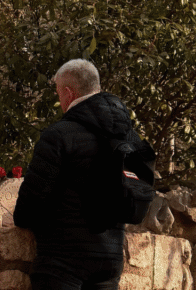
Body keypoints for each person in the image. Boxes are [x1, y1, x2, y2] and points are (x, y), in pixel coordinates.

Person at [13, 59, 147, 290]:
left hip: (62, 261)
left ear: (68, 93)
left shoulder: (58, 135)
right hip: (110, 259)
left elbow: (29, 207)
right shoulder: (129, 138)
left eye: (58, 94)